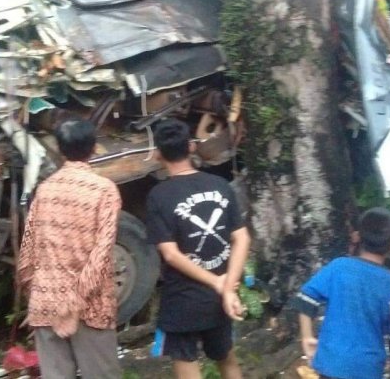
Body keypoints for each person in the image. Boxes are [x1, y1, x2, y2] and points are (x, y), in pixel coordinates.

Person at [146, 119, 250, 379]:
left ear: (157, 154)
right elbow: (243, 239)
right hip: (221, 298)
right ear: (191, 147)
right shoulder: (220, 185)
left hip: (183, 298)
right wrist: (227, 286)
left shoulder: (158, 196)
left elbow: (170, 254)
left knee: (186, 364)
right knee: (227, 360)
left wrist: (218, 284)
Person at [17, 119, 122, 379]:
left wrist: (38, 295)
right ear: (95, 148)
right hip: (90, 307)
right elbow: (101, 254)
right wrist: (73, 302)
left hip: (46, 303)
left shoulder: (44, 189)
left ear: (60, 150)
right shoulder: (104, 190)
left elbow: (27, 252)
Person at [293, 207, 390, 379]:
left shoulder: (339, 267)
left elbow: (306, 300)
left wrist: (307, 338)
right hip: (367, 369)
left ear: (356, 236)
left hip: (330, 362)